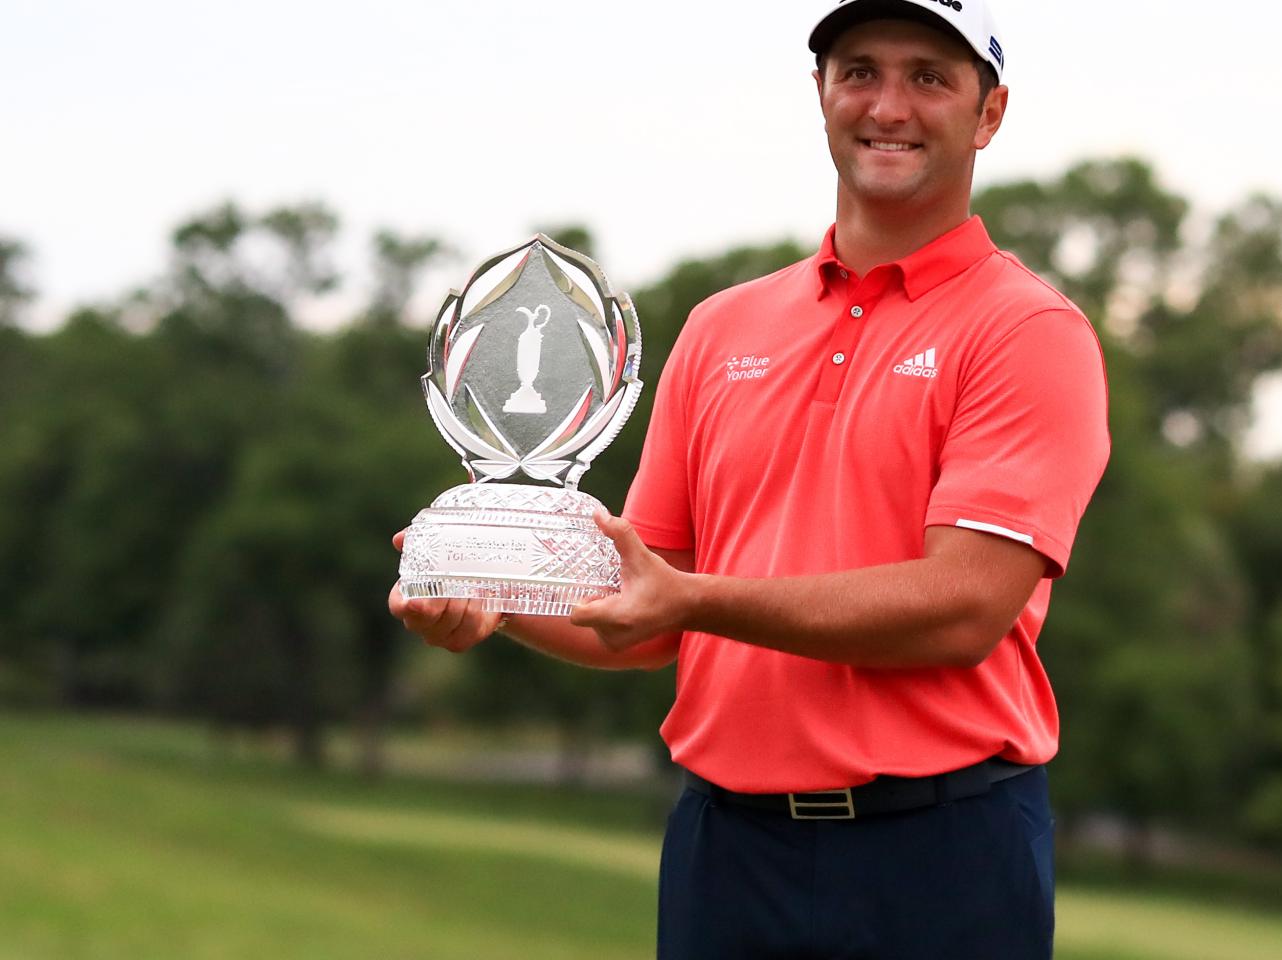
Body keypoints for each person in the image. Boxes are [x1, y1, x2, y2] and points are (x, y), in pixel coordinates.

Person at [390, 1, 1109, 956]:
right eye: (858, 71)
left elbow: (963, 606)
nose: (887, 104)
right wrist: (493, 597)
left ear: (989, 114)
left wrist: (688, 600)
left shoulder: (1027, 333)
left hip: (941, 854)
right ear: (820, 94)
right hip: (725, 849)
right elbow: (641, 614)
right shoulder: (723, 327)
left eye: (929, 77)